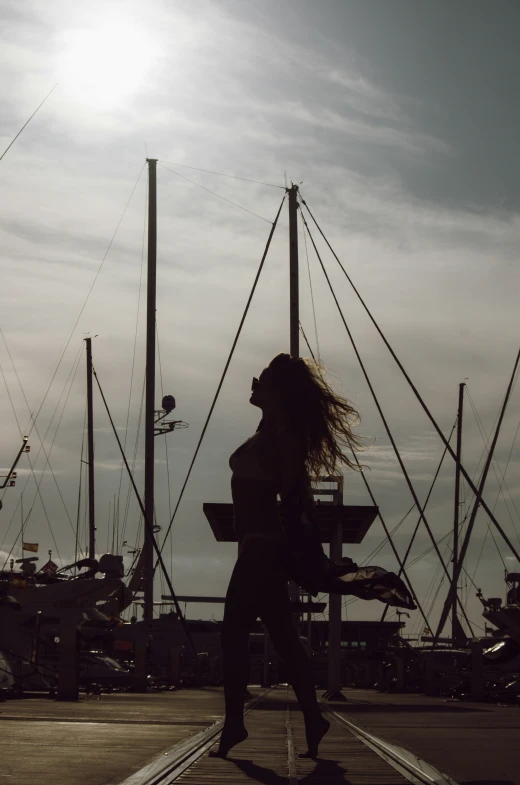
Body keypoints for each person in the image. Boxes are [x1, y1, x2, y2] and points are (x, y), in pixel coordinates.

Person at [212, 353, 364, 759]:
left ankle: (234, 726)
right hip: (257, 549)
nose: (252, 384)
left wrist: (308, 559)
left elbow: (296, 499)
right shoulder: (266, 431)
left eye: (259, 378)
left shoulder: (285, 438)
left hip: (263, 549)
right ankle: (313, 720)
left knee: (233, 635)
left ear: (276, 391)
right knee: (283, 637)